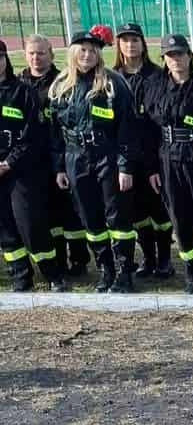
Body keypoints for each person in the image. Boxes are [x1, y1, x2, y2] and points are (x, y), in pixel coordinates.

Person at [48, 34, 141, 292]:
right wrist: (59, 167)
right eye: (82, 50)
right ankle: (105, 269)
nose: (87, 55)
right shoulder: (60, 86)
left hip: (107, 156)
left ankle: (124, 271)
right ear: (73, 53)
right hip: (75, 158)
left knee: (117, 216)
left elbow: (127, 128)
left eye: (92, 51)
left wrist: (125, 166)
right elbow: (55, 132)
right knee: (90, 217)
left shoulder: (113, 83)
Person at [138, 35, 193, 292]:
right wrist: (152, 168)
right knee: (180, 217)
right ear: (164, 59)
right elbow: (148, 132)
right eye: (170, 55)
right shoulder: (154, 88)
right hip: (168, 160)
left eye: (180, 54)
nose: (175, 59)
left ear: (190, 56)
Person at [0, 36, 64, 290]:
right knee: (5, 228)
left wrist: (9, 162)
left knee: (30, 223)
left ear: (5, 60)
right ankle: (20, 275)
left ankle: (52, 274)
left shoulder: (22, 91)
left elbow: (31, 135)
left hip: (20, 170)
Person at [113, 21, 173, 277]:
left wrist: (155, 163)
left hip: (155, 155)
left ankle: (165, 260)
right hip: (126, 157)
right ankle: (148, 259)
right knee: (136, 212)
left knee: (160, 211)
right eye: (125, 40)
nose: (130, 44)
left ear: (143, 43)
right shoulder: (112, 77)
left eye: (135, 39)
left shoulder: (158, 75)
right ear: (119, 45)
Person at [22, 35, 82, 277]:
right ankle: (57, 261)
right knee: (45, 214)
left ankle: (79, 259)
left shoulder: (64, 82)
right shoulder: (20, 85)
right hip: (32, 161)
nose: (36, 58)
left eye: (41, 53)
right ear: (25, 55)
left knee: (70, 212)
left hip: (62, 156)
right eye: (32, 53)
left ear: (52, 55)